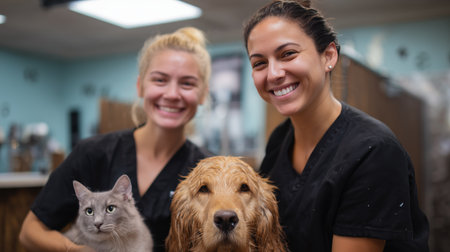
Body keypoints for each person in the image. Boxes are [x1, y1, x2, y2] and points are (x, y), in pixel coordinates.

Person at [243, 1, 429, 251]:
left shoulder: (373, 152)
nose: (273, 73)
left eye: (288, 54)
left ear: (328, 56)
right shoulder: (279, 140)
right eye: (259, 63)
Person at [19, 27, 212, 252]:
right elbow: (30, 231)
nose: (171, 93)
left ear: (203, 94)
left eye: (187, 83)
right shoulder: (94, 153)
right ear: (140, 86)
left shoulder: (207, 170)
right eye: (160, 80)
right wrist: (77, 250)